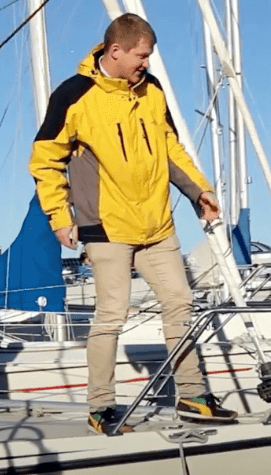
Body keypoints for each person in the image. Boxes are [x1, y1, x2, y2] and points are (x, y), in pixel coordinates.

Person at [28, 13, 237, 434]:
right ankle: (101, 408)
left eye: (149, 56)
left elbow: (171, 148)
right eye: (141, 56)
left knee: (180, 302)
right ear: (115, 51)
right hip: (107, 226)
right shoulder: (74, 95)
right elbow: (45, 160)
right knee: (111, 316)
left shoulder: (151, 90)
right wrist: (60, 217)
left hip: (157, 225)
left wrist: (199, 190)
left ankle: (192, 396)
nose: (147, 63)